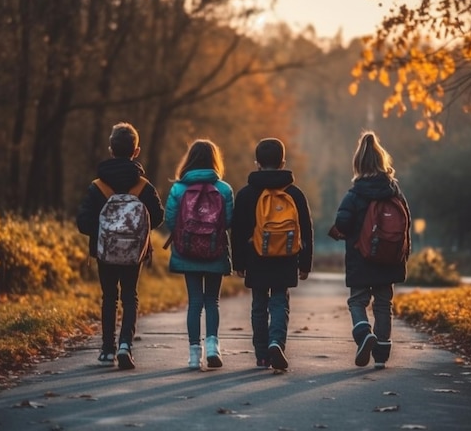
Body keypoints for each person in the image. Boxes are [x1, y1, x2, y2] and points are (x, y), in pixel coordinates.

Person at [76, 122, 164, 370]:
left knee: (109, 297)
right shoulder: (143, 187)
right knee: (130, 296)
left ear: (110, 149)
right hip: (134, 253)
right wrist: (136, 232)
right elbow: (158, 216)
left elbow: (83, 221)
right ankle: (126, 344)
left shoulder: (97, 186)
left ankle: (107, 350)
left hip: (104, 252)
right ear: (136, 151)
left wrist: (104, 232)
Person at [231, 138, 313, 371]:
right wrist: (305, 263)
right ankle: (277, 342)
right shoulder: (295, 194)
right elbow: (306, 229)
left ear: (257, 163)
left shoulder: (247, 194)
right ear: (282, 162)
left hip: (255, 257)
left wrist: (239, 262)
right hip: (286, 258)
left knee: (259, 305)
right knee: (279, 302)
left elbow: (237, 231)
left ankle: (262, 356)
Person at [332, 131, 411, 370]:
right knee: (383, 304)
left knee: (357, 300)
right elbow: (405, 222)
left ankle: (364, 333)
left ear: (357, 164)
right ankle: (381, 355)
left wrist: (339, 230)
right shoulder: (394, 191)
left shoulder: (354, 194)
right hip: (389, 259)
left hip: (361, 257)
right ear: (382, 162)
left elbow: (343, 223)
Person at [164, 139, 234, 370]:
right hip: (214, 251)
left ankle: (195, 354)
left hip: (187, 252)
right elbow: (230, 221)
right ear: (215, 160)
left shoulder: (178, 188)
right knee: (212, 300)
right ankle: (213, 346)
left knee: (194, 302)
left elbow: (170, 221)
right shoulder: (223, 189)